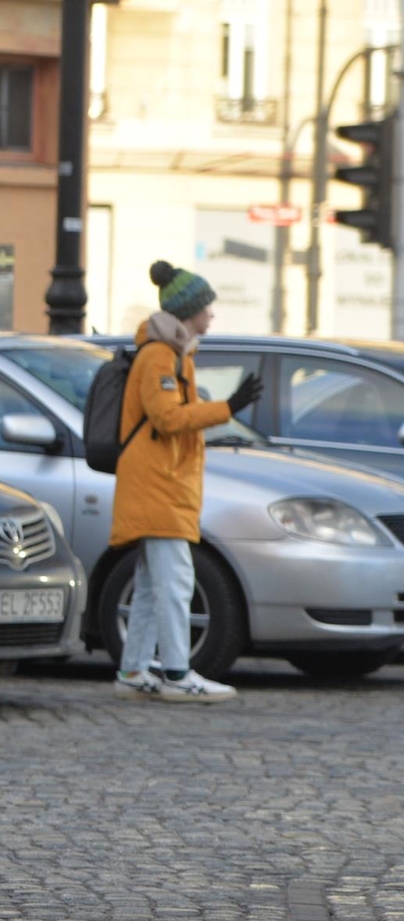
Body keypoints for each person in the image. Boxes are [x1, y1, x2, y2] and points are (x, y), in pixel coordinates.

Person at [112, 260, 262, 702]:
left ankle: (134, 670)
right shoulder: (160, 354)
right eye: (207, 307)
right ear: (188, 311)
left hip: (163, 486)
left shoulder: (174, 353)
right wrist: (226, 407)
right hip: (158, 488)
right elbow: (167, 416)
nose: (212, 314)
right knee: (176, 582)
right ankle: (177, 673)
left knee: (149, 586)